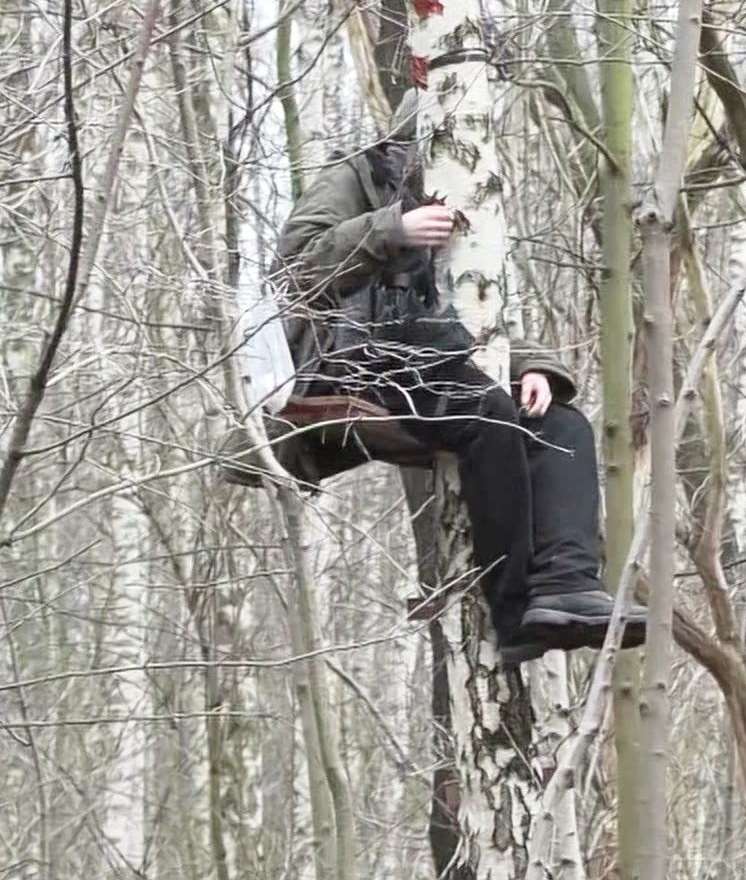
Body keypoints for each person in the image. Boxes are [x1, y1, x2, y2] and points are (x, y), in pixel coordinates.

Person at [269, 138, 645, 665]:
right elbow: (294, 267)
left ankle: (569, 585)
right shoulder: (358, 171)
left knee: (563, 426)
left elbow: (477, 301)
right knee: (485, 414)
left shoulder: (475, 188)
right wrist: (392, 230)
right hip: (353, 359)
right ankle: (514, 616)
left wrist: (532, 365)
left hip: (435, 355)